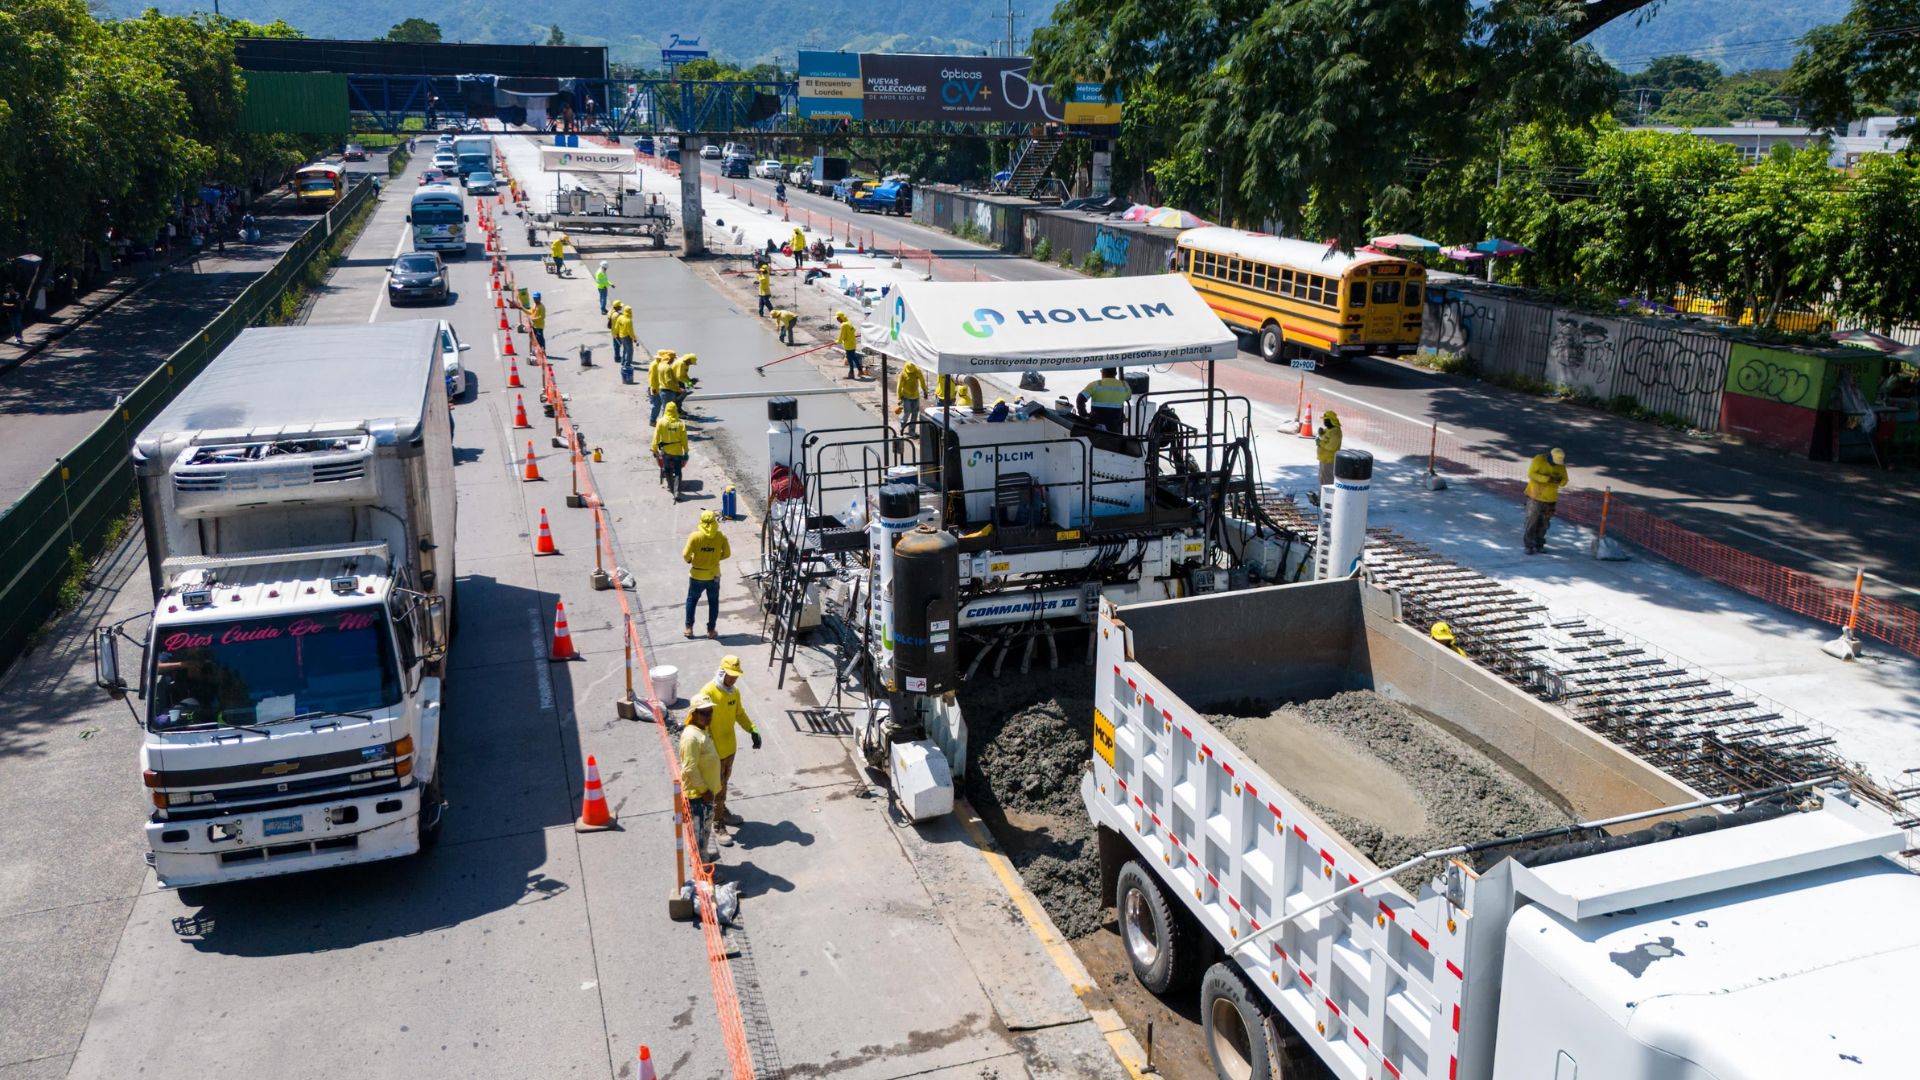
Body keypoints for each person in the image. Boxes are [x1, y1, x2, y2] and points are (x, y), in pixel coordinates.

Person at [698, 654, 761, 845]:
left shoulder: (734, 693)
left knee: (723, 785)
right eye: (731, 675)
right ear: (722, 672)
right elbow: (700, 724)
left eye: (736, 676)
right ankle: (717, 823)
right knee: (716, 788)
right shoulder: (708, 693)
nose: (733, 679)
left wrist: (752, 729)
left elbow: (739, 714)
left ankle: (722, 811)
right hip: (713, 752)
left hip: (729, 749)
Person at [679, 695, 722, 863]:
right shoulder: (691, 738)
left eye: (710, 712)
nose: (708, 716)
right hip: (698, 797)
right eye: (704, 713)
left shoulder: (701, 731)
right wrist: (704, 791)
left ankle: (702, 858)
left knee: (704, 832)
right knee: (699, 836)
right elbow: (689, 768)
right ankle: (702, 870)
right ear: (694, 714)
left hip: (705, 796)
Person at [682, 508, 730, 637]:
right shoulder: (721, 536)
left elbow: (685, 555)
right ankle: (711, 630)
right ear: (715, 521)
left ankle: (689, 628)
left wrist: (691, 560)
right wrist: (714, 558)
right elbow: (727, 554)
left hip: (696, 575)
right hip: (714, 575)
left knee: (692, 601)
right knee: (713, 603)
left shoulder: (695, 536)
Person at [1523, 447, 1569, 555]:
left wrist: (1559, 481)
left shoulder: (1561, 465)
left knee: (1544, 523)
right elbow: (1531, 474)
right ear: (1549, 456)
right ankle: (1529, 545)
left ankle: (1539, 544)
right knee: (1532, 521)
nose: (1555, 464)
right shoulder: (1539, 460)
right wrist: (1547, 479)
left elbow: (1565, 480)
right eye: (1554, 462)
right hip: (1535, 496)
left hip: (1550, 499)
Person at [653, 400, 690, 499]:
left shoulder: (661, 422)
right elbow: (684, 440)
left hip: (666, 452)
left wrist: (654, 449)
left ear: (666, 410)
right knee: (678, 471)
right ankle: (676, 490)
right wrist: (686, 452)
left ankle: (671, 486)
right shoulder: (680, 424)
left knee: (667, 470)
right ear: (675, 410)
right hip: (677, 453)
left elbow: (656, 437)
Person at [1076, 367, 1131, 432]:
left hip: (1097, 424)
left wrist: (1084, 415)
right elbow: (1128, 397)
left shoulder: (1095, 384)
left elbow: (1080, 399)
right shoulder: (1124, 385)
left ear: (1102, 373)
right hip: (1115, 424)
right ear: (1115, 373)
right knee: (1114, 439)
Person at [1315, 410, 1343, 490]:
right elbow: (1325, 439)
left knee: (1327, 481)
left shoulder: (1336, 432)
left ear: (1331, 421)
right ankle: (1321, 497)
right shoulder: (1328, 429)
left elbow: (1332, 447)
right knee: (1322, 479)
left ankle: (1326, 498)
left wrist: (1320, 443)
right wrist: (1321, 434)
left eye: (1326, 420)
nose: (1324, 422)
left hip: (1329, 461)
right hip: (1323, 459)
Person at [648, 348, 675, 424]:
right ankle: (653, 420)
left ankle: (660, 422)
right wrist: (653, 389)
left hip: (660, 387)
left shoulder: (660, 364)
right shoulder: (655, 365)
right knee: (656, 406)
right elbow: (652, 378)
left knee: (660, 406)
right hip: (656, 388)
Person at [896, 360, 926, 426]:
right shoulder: (903, 373)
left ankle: (912, 431)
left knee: (915, 414)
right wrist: (899, 397)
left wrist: (925, 391)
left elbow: (922, 381)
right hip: (906, 397)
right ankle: (903, 425)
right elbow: (899, 386)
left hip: (916, 396)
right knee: (907, 413)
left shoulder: (917, 371)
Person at [612, 303, 636, 379]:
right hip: (627, 337)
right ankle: (627, 364)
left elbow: (616, 326)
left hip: (621, 336)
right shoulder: (628, 320)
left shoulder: (620, 317)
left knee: (625, 349)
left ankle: (623, 361)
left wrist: (615, 334)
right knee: (630, 350)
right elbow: (630, 331)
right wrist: (634, 338)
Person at [836, 311, 861, 379]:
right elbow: (853, 330)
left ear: (841, 318)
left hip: (848, 345)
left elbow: (842, 336)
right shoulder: (849, 323)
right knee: (853, 357)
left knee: (850, 359)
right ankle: (859, 371)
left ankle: (851, 374)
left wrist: (838, 341)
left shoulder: (844, 325)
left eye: (838, 318)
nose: (837, 320)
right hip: (852, 343)